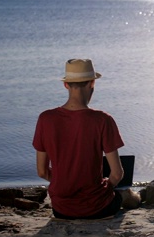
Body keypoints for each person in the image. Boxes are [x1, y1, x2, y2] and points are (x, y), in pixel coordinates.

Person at [32, 58, 140, 219]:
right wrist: (106, 188)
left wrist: (66, 180)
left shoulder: (45, 119)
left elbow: (42, 172)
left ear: (66, 84)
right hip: (98, 208)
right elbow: (117, 174)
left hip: (61, 210)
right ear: (92, 83)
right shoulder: (103, 120)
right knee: (128, 195)